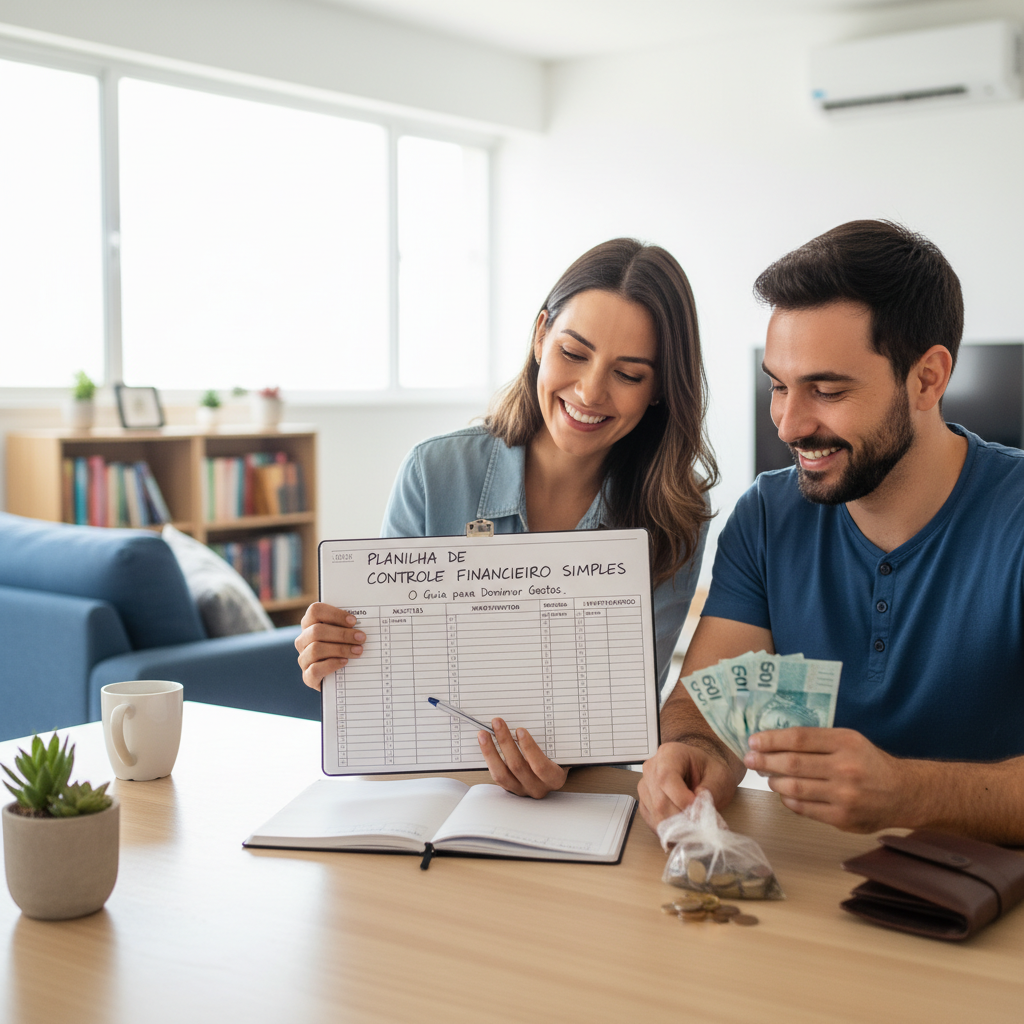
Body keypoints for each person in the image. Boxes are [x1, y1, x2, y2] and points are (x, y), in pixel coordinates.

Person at [639, 219, 1024, 844]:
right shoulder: (766, 514)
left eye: (826, 389)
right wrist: (692, 753)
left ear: (927, 378)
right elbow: (710, 712)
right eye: (779, 386)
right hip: (812, 889)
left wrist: (906, 792)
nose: (789, 424)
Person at [296, 237, 719, 798]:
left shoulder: (673, 513)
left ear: (661, 387)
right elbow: (383, 684)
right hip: (426, 791)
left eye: (630, 373)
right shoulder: (434, 472)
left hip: (572, 803)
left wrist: (567, 766)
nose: (590, 391)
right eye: (574, 352)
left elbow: (623, 714)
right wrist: (333, 659)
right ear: (541, 335)